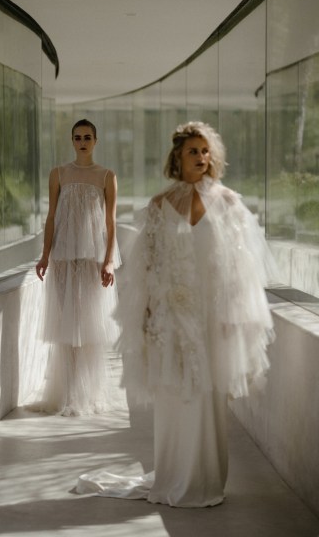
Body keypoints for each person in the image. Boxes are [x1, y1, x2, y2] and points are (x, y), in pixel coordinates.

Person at [76, 121, 277, 506]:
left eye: (206, 151)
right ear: (177, 157)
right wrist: (149, 312)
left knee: (208, 400)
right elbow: (145, 267)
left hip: (211, 316)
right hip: (171, 317)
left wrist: (233, 314)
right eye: (193, 151)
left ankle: (206, 482)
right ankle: (173, 478)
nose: (201, 157)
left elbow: (242, 267)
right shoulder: (158, 205)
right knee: (175, 398)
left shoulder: (229, 203)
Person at [34, 119, 121, 416]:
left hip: (92, 259)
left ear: (95, 141)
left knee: (89, 327)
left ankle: (89, 392)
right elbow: (51, 217)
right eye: (77, 137)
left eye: (87, 137)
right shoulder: (58, 173)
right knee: (66, 326)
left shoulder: (107, 176)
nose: (82, 141)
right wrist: (45, 255)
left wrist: (109, 260)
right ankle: (68, 393)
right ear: (72, 141)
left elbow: (110, 223)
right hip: (62, 257)